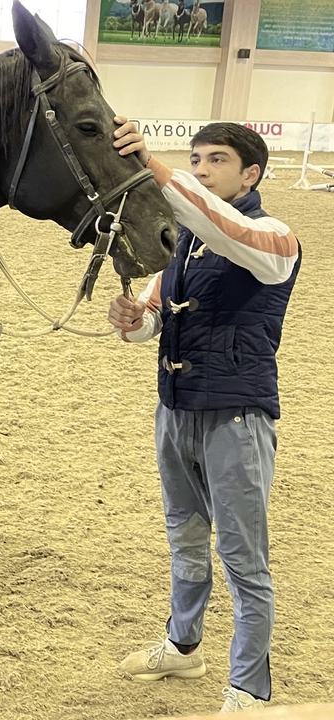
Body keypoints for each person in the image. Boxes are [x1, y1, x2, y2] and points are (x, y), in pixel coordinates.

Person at [108, 118, 301, 713]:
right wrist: (132, 319)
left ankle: (248, 690)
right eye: (194, 160)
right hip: (176, 412)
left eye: (215, 160)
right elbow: (151, 323)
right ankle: (184, 644)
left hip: (237, 417)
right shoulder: (183, 248)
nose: (200, 170)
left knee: (244, 559)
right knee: (185, 538)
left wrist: (156, 168)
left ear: (252, 174)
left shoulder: (274, 236)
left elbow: (228, 229)